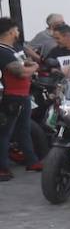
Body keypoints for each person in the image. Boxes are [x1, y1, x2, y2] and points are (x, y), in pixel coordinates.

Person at [0, 17, 40, 180]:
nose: (18, 32)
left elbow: (26, 64)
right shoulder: (3, 51)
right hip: (11, 97)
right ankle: (2, 168)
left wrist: (30, 65)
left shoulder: (12, 50)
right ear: (10, 32)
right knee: (5, 133)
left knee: (23, 130)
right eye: (16, 30)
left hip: (22, 96)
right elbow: (22, 72)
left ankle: (32, 161)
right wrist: (35, 67)